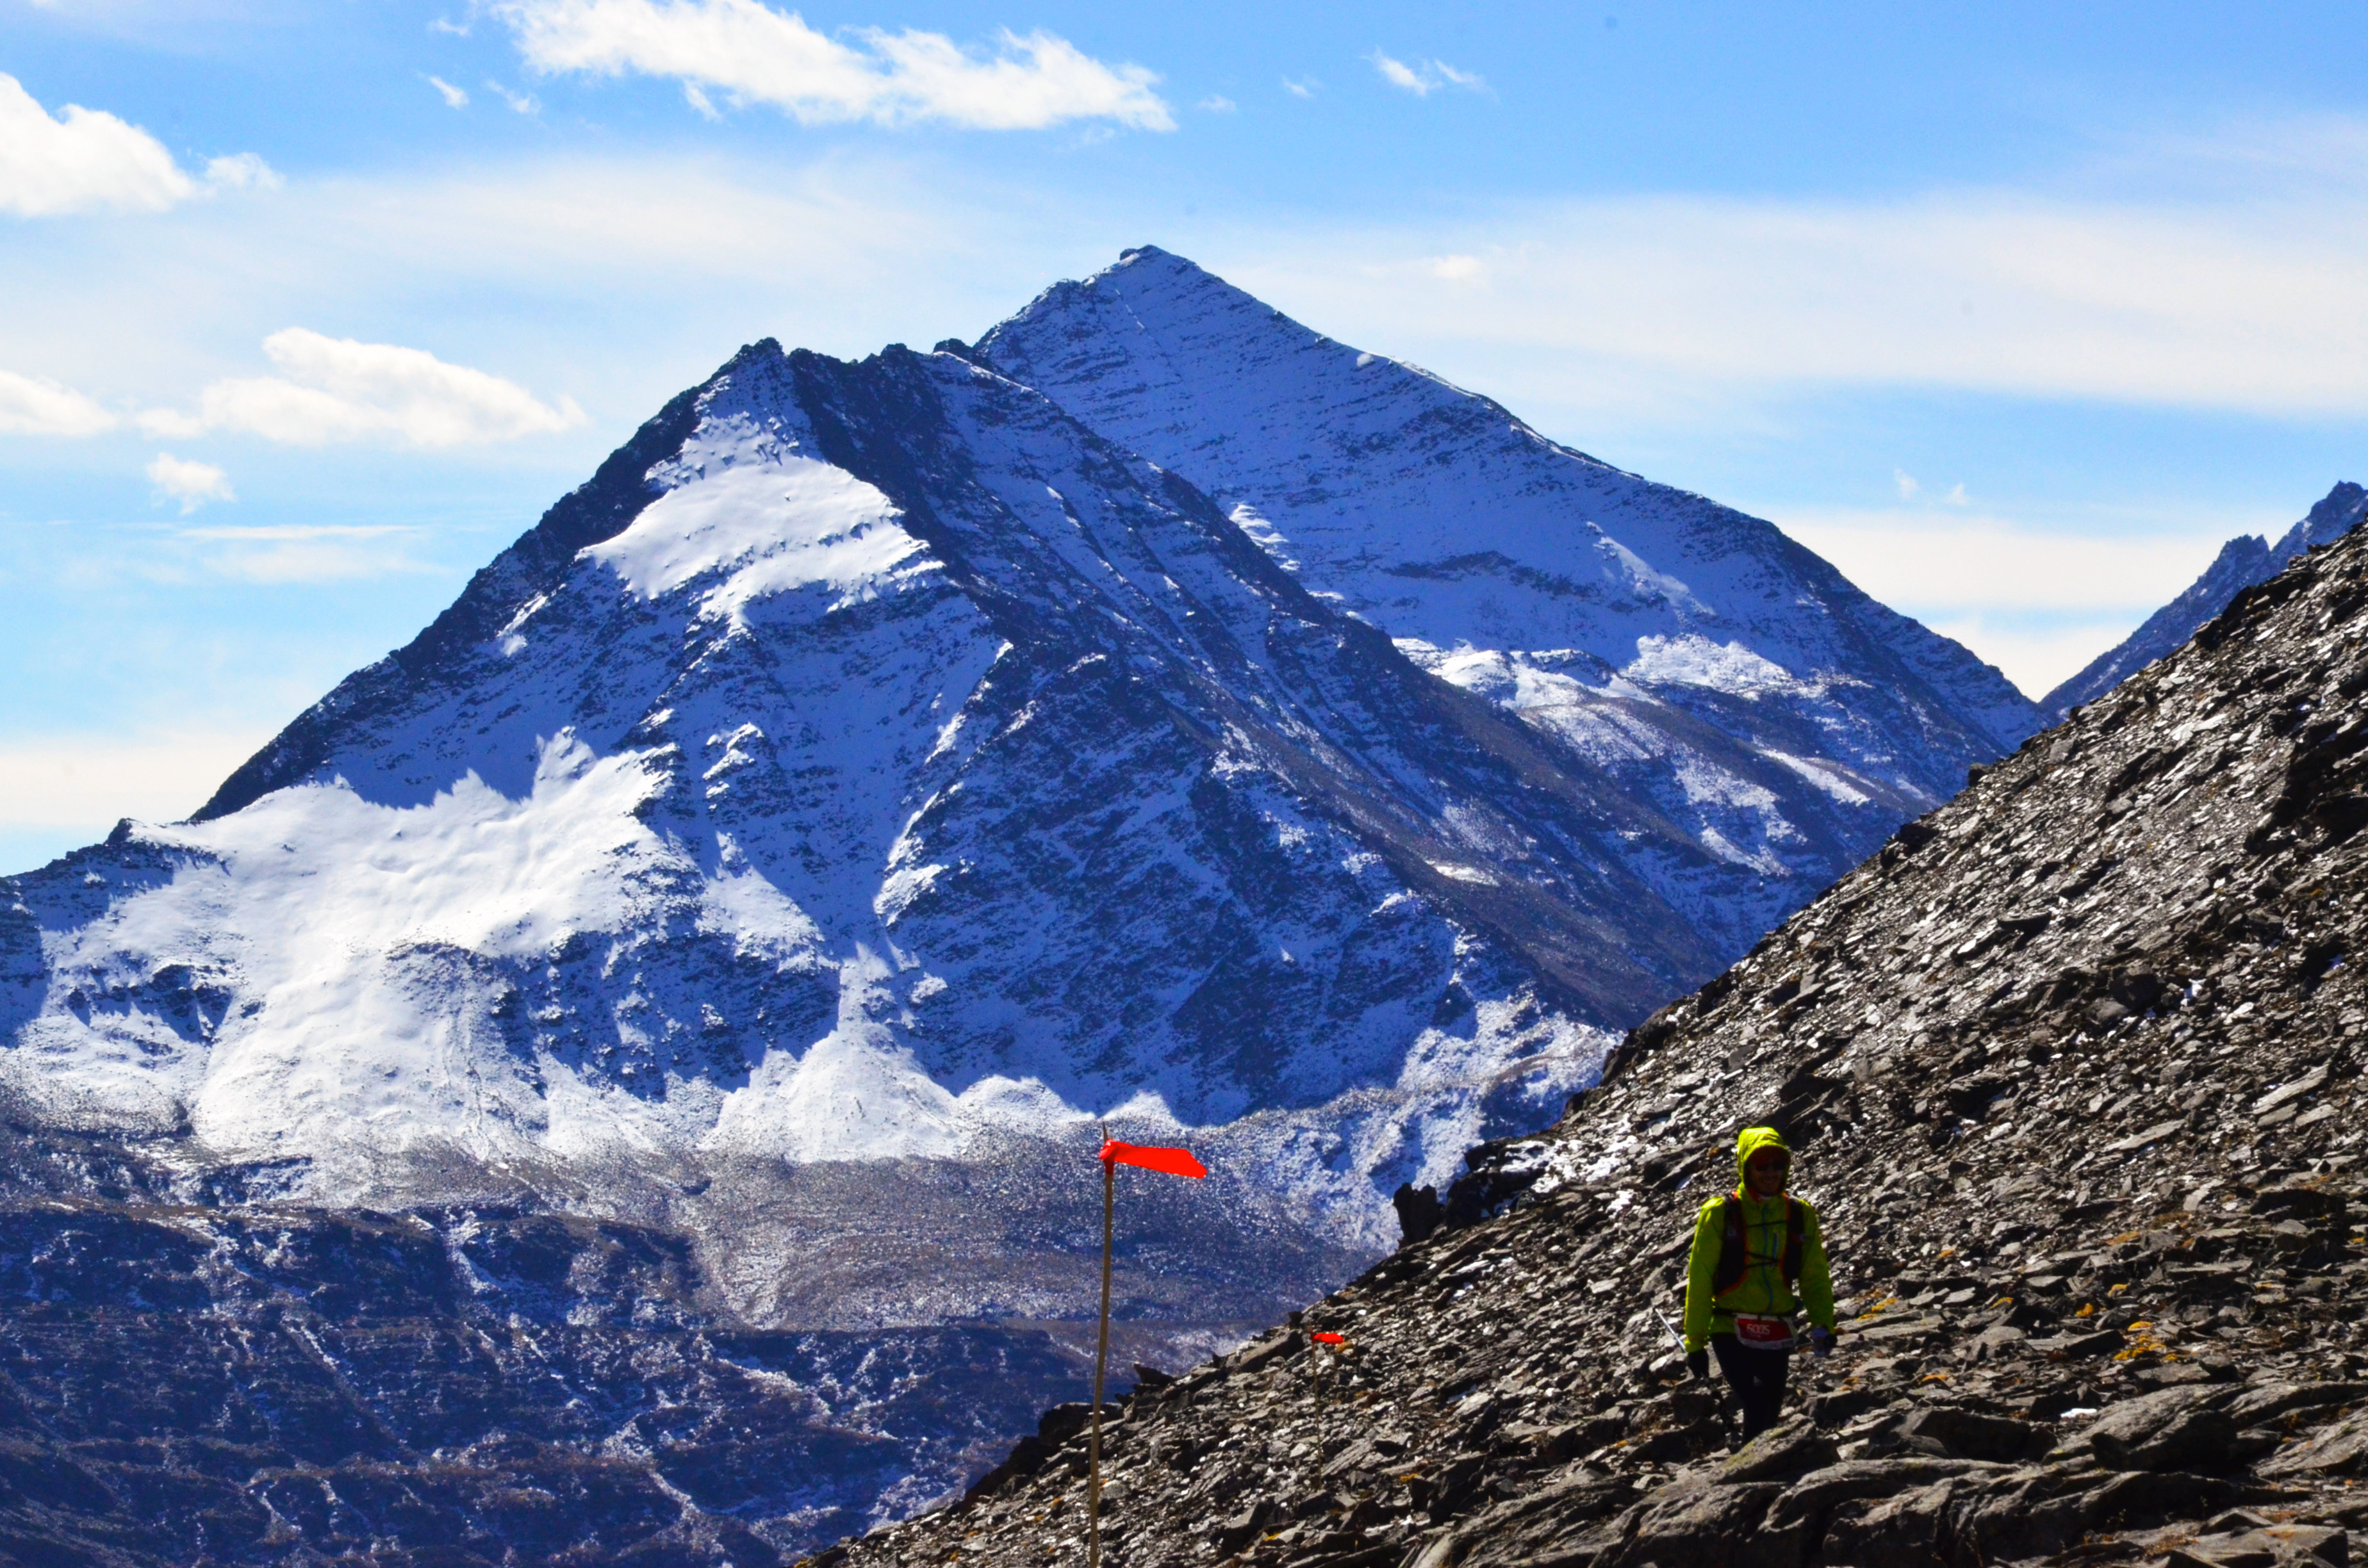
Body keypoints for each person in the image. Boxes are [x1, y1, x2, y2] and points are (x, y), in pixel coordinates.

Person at [1680, 1126, 1837, 1442]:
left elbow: (1814, 1276)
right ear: (1745, 1167)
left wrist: (1824, 1324)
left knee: (1768, 1412)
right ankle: (1750, 1475)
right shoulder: (1720, 1214)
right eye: (1761, 1165)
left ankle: (1756, 1474)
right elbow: (1700, 1279)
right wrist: (1695, 1343)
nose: (1771, 1172)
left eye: (1778, 1164)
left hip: (1777, 1331)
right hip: (1730, 1328)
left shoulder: (1799, 1214)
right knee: (1755, 1400)